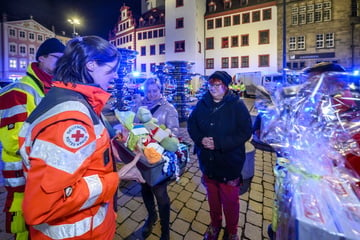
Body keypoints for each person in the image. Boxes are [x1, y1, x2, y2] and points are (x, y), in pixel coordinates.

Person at [17, 36, 121, 240]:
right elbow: (44, 205)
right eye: (111, 69)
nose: (115, 75)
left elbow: (81, 157)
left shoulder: (72, 99)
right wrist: (114, 178)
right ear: (91, 65)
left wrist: (108, 149)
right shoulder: (70, 119)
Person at [0, 37, 65, 240]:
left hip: (40, 171)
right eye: (57, 58)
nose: (61, 63)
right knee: (24, 225)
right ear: (42, 58)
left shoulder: (49, 88)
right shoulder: (18, 91)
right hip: (21, 174)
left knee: (39, 224)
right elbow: (12, 141)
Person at [187, 71, 252, 240]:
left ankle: (232, 231)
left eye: (217, 85)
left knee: (230, 201)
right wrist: (201, 140)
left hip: (229, 162)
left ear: (225, 86)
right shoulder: (203, 103)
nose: (213, 89)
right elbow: (191, 124)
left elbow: (245, 132)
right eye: (211, 85)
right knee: (213, 199)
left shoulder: (237, 105)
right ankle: (215, 225)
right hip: (208, 162)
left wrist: (219, 143)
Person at [135, 78, 179, 240]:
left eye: (155, 90)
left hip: (160, 158)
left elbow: (174, 132)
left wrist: (156, 133)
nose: (151, 94)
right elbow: (133, 125)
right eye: (148, 91)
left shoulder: (168, 108)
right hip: (142, 156)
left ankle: (165, 230)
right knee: (145, 189)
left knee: (161, 195)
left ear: (160, 90)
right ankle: (151, 217)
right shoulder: (140, 107)